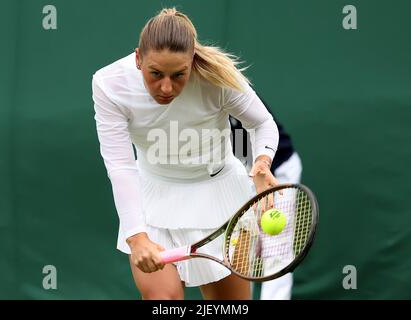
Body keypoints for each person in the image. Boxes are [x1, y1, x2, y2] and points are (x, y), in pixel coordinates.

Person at [92, 8, 280, 300]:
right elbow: (120, 166)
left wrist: (261, 163)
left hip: (222, 197)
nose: (166, 87)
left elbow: (262, 123)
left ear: (192, 62)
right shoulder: (110, 85)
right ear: (138, 58)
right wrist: (137, 237)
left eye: (179, 75)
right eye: (155, 74)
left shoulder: (217, 78)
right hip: (153, 202)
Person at [230, 95, 302, 300]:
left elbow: (248, 143)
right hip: (242, 175)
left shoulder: (232, 93)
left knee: (275, 250)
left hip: (277, 172)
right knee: (241, 256)